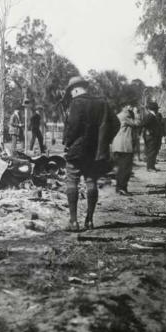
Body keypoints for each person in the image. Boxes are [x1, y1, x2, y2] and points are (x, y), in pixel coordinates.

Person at [62, 76, 119, 231]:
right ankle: (89, 220)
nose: (71, 95)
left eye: (71, 92)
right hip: (95, 152)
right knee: (91, 181)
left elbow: (73, 127)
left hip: (77, 151)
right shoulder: (102, 103)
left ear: (75, 89)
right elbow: (116, 124)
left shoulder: (76, 103)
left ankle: (73, 222)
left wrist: (67, 143)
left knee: (72, 181)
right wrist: (104, 141)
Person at [111, 102, 141, 195]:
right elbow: (137, 123)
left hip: (118, 145)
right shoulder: (125, 116)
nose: (131, 108)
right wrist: (136, 113)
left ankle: (119, 188)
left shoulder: (119, 115)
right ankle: (122, 188)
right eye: (129, 106)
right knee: (126, 168)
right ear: (124, 107)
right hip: (124, 146)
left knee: (121, 168)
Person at [141, 101, 163, 172]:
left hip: (153, 136)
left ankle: (152, 166)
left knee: (153, 151)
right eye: (157, 109)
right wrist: (149, 130)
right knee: (151, 151)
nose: (157, 110)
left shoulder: (152, 115)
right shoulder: (150, 116)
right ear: (155, 109)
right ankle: (149, 167)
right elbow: (144, 124)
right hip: (151, 137)